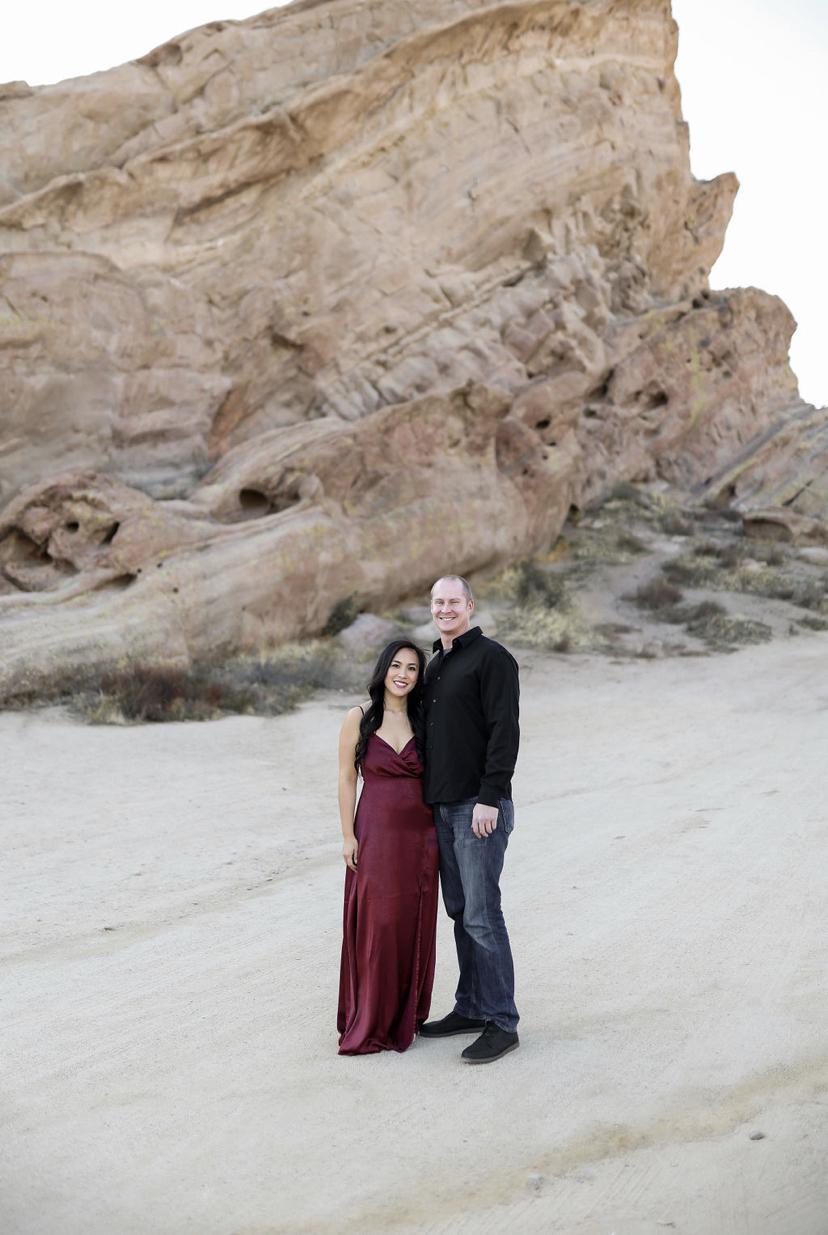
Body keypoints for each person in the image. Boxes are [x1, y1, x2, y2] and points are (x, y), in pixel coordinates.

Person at [419, 575, 521, 1064]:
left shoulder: (492, 659)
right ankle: (472, 1006)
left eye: (453, 602)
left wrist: (490, 797)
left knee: (482, 914)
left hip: (478, 808)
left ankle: (502, 1021)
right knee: (460, 913)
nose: (445, 609)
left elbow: (505, 731)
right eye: (438, 602)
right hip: (443, 807)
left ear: (470, 606)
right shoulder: (436, 665)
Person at [336, 639, 439, 1055]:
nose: (403, 674)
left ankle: (405, 1016)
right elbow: (346, 778)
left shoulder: (424, 718)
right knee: (377, 923)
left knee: (411, 923)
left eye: (412, 669)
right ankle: (371, 1018)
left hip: (421, 837)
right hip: (375, 833)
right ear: (384, 669)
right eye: (397, 665)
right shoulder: (359, 717)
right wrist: (348, 835)